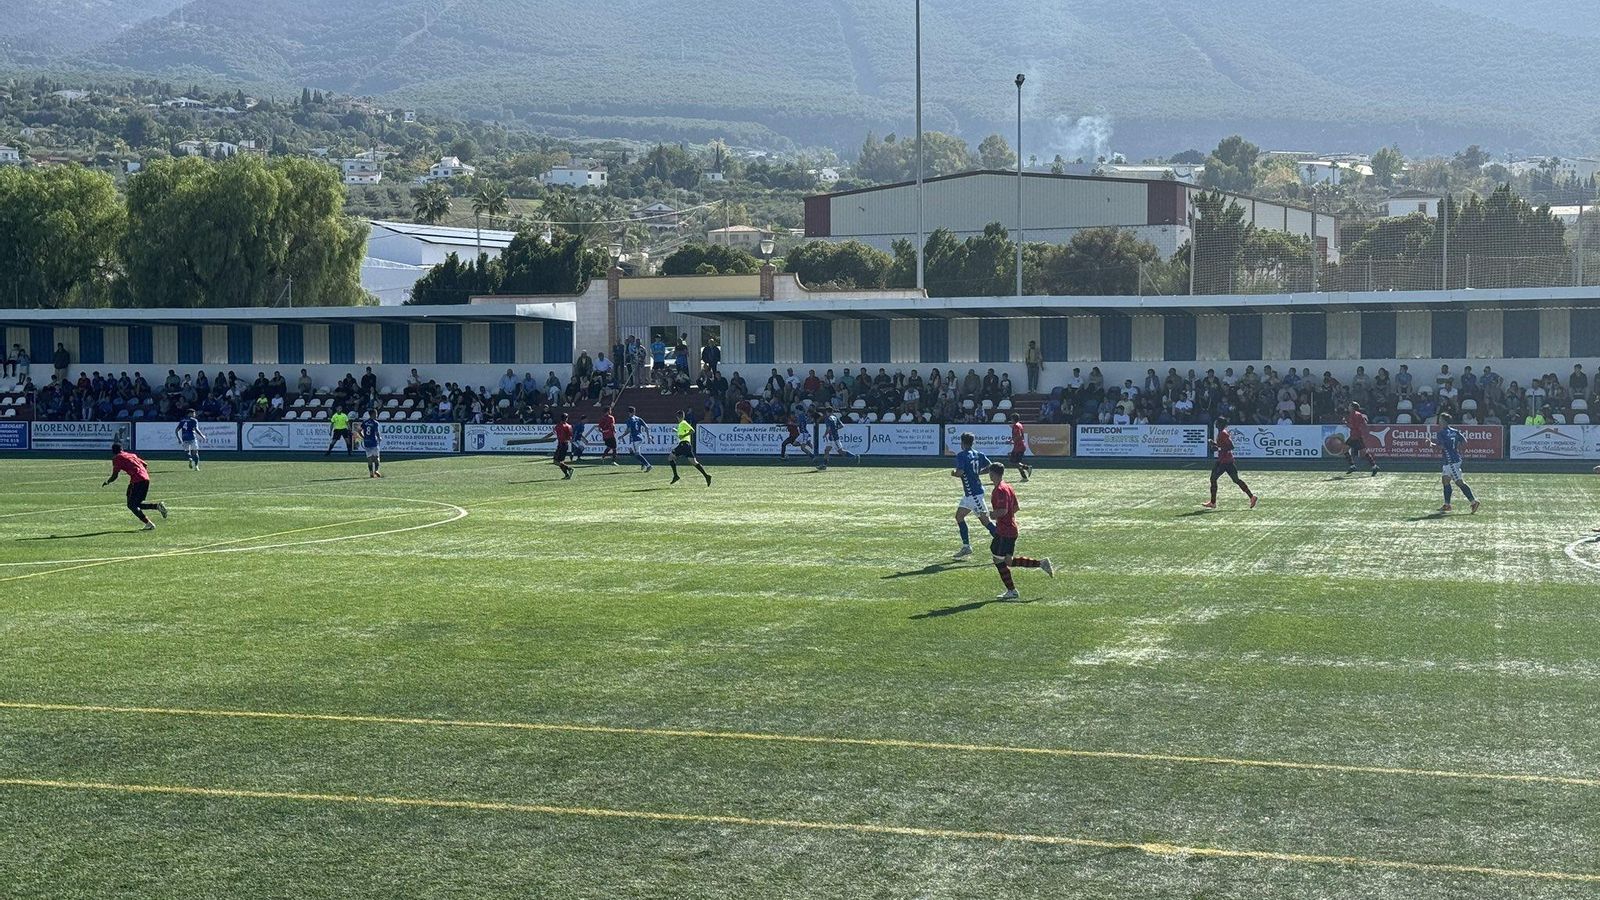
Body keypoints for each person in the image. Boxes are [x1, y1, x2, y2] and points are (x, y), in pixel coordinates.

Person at [987, 463, 1054, 600]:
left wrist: (992, 515)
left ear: (993, 474)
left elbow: (1003, 510)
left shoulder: (1000, 489)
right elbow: (1016, 508)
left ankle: (1012, 590)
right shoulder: (1008, 487)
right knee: (1008, 561)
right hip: (1011, 528)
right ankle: (1041, 563)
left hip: (1005, 531)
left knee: (998, 559)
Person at [950, 432, 998, 558]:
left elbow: (960, 472)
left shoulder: (962, 455)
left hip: (973, 494)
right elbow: (990, 466)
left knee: (985, 521)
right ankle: (966, 547)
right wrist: (978, 473)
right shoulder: (978, 454)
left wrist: (954, 473)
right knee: (959, 516)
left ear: (962, 443)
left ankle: (1002, 541)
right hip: (970, 494)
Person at [102, 442, 167, 531]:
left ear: (113, 452)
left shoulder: (117, 458)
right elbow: (145, 464)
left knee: (131, 505)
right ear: (122, 449)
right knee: (136, 504)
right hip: (146, 479)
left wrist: (108, 481)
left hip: (137, 480)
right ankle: (157, 506)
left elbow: (115, 475)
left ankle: (149, 524)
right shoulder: (131, 455)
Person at [1432, 413, 1481, 514]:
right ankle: (1447, 505)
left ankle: (1473, 502)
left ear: (1444, 421)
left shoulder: (1441, 433)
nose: (1439, 421)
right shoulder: (1455, 431)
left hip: (1450, 461)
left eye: (1440, 419)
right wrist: (1456, 449)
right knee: (1445, 480)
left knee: (1459, 482)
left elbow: (1441, 447)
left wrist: (1431, 444)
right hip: (1453, 458)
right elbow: (1464, 441)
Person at [1204, 418, 1257, 510]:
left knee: (1213, 478)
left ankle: (1213, 502)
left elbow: (1231, 446)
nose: (1215, 424)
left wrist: (1218, 448)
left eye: (1217, 422)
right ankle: (1252, 497)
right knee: (1236, 480)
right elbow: (1224, 446)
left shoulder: (1223, 433)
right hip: (1226, 460)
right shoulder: (1222, 433)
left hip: (1224, 461)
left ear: (1220, 424)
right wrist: (1215, 444)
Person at [668, 411, 712, 486]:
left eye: (678, 417)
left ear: (679, 417)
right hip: (687, 445)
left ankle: (676, 476)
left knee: (670, 457)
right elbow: (681, 434)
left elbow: (692, 431)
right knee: (694, 462)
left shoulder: (683, 423)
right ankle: (706, 476)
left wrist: (683, 435)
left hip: (683, 444)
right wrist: (676, 431)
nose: (677, 419)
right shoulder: (681, 425)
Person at [1344, 401, 1379, 476]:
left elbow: (1355, 426)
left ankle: (1374, 466)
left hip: (1357, 436)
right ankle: (1352, 466)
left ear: (1353, 407)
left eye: (1349, 406)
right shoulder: (1353, 414)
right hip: (1353, 436)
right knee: (1345, 449)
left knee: (1363, 452)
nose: (1348, 407)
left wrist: (1346, 423)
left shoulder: (1356, 415)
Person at [541, 412, 576, 479]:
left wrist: (544, 438)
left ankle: (569, 469)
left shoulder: (558, 426)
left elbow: (552, 433)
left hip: (561, 445)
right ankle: (567, 475)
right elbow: (571, 437)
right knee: (560, 462)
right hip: (565, 445)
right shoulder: (569, 426)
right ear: (567, 418)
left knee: (555, 461)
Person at [623, 406, 653, 472]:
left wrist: (622, 436)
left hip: (635, 438)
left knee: (637, 454)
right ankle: (643, 463)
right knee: (632, 451)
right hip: (640, 438)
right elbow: (647, 427)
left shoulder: (629, 420)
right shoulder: (639, 418)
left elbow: (629, 430)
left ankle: (648, 465)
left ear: (628, 412)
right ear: (634, 412)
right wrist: (648, 437)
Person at [1008, 414, 1033, 482]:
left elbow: (1019, 435)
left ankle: (1027, 469)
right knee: (1015, 462)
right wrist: (1011, 440)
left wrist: (1013, 441)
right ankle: (1025, 474)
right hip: (1019, 446)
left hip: (1019, 447)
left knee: (1014, 462)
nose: (1011, 420)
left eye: (1011, 419)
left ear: (1013, 419)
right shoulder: (1019, 424)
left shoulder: (1016, 425)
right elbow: (1019, 436)